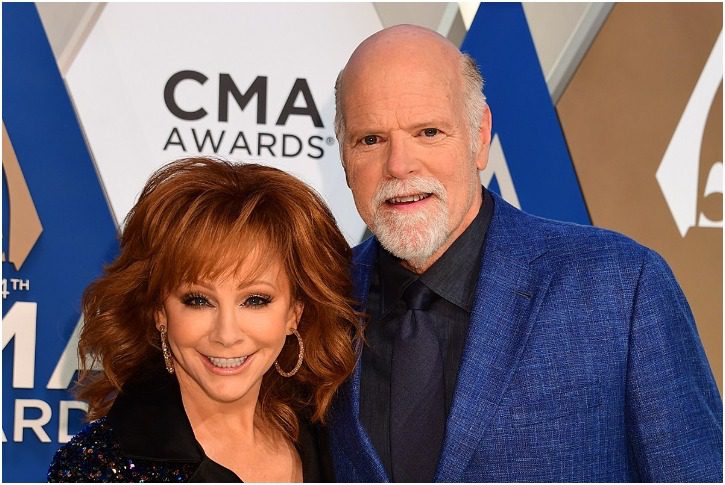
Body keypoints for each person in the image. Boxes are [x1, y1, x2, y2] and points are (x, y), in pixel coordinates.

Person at [327, 24, 722, 482]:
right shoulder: (319, 295)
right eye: (370, 139)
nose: (399, 165)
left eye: (429, 132)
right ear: (344, 157)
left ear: (479, 137)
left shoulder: (620, 289)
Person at [48, 157, 360, 482]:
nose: (226, 334)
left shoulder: (332, 439)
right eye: (198, 301)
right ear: (159, 311)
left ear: (295, 313)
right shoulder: (101, 468)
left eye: (255, 300)